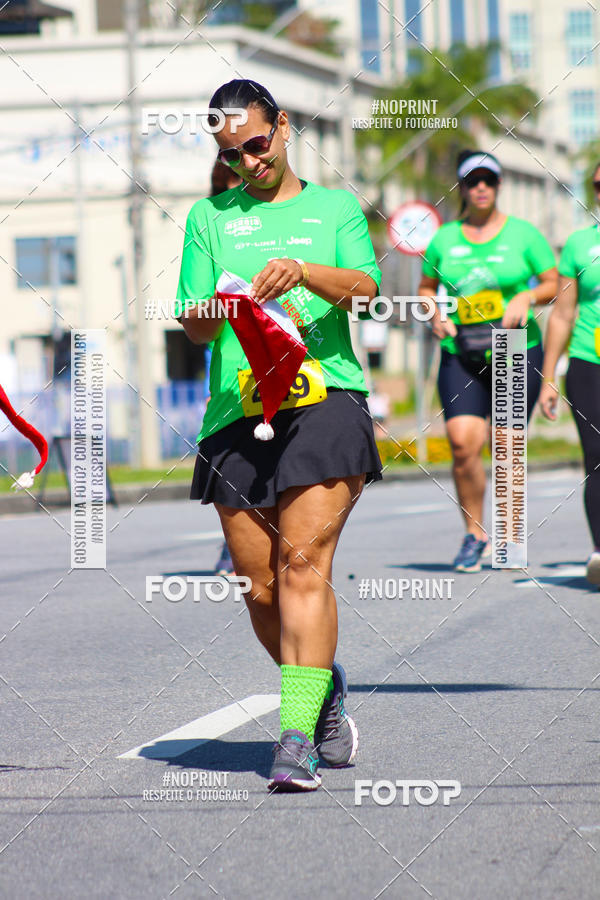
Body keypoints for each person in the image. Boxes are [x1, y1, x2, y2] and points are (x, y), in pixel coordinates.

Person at [176, 79, 382, 791]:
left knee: (302, 564)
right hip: (237, 409)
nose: (247, 164)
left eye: (256, 145)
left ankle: (295, 739)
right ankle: (320, 690)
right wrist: (216, 303)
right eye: (230, 155)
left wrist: (304, 272)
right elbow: (194, 323)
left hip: (324, 397)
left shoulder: (334, 208)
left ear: (284, 128)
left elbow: (368, 287)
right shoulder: (210, 217)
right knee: (258, 587)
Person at [419, 150, 558, 573]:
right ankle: (474, 535)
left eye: (489, 181)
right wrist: (434, 314)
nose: (481, 188)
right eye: (472, 181)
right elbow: (425, 289)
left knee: (506, 447)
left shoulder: (524, 235)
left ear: (499, 186)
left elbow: (553, 283)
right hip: (461, 350)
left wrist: (526, 295)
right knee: (463, 445)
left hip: (514, 349)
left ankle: (510, 535)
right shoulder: (444, 238)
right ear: (461, 188)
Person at [539, 163, 600, 586]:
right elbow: (562, 313)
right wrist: (548, 377)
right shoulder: (579, 244)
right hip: (588, 363)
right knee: (596, 460)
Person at [208, 161, 242, 577]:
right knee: (234, 453)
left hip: (279, 354)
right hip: (225, 354)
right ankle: (231, 540)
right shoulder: (210, 219)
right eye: (227, 180)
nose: (236, 184)